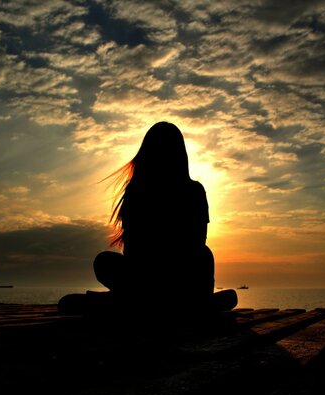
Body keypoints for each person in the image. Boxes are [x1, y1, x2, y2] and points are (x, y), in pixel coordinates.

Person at [58, 122, 237, 315]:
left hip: (165, 280)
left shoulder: (176, 191)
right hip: (167, 284)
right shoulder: (145, 191)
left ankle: (130, 302)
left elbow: (190, 244)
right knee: (105, 262)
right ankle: (179, 304)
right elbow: (139, 249)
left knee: (200, 256)